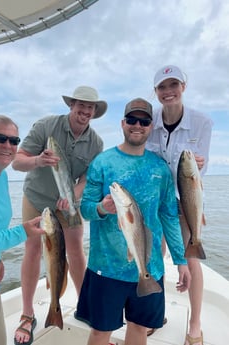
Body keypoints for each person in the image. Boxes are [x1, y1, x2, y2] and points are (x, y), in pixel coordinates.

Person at [75, 98, 191, 345]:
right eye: (131, 120)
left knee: (139, 329)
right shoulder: (102, 162)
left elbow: (169, 216)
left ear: (151, 126)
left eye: (144, 121)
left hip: (150, 268)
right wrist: (102, 208)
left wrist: (181, 261)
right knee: (99, 332)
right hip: (105, 268)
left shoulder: (160, 168)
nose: (137, 125)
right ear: (122, 123)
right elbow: (84, 210)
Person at [12, 85, 107, 345]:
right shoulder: (46, 126)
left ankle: (84, 306)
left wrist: (74, 194)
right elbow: (17, 161)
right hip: (37, 198)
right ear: (71, 105)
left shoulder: (96, 142)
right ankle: (27, 314)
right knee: (32, 249)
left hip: (69, 203)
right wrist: (38, 161)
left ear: (95, 111)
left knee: (76, 250)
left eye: (90, 107)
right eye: (81, 105)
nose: (85, 111)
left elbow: (88, 178)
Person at [146, 65, 213, 345]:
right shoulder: (148, 119)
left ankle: (195, 325)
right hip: (157, 200)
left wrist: (200, 164)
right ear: (156, 92)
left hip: (187, 198)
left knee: (191, 257)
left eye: (173, 85)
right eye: (162, 87)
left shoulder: (202, 122)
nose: (168, 91)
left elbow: (203, 168)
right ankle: (154, 313)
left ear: (184, 87)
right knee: (154, 256)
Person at [0, 115, 45, 345]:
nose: (8, 146)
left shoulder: (0, 176)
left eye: (14, 141)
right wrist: (21, 232)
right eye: (0, 138)